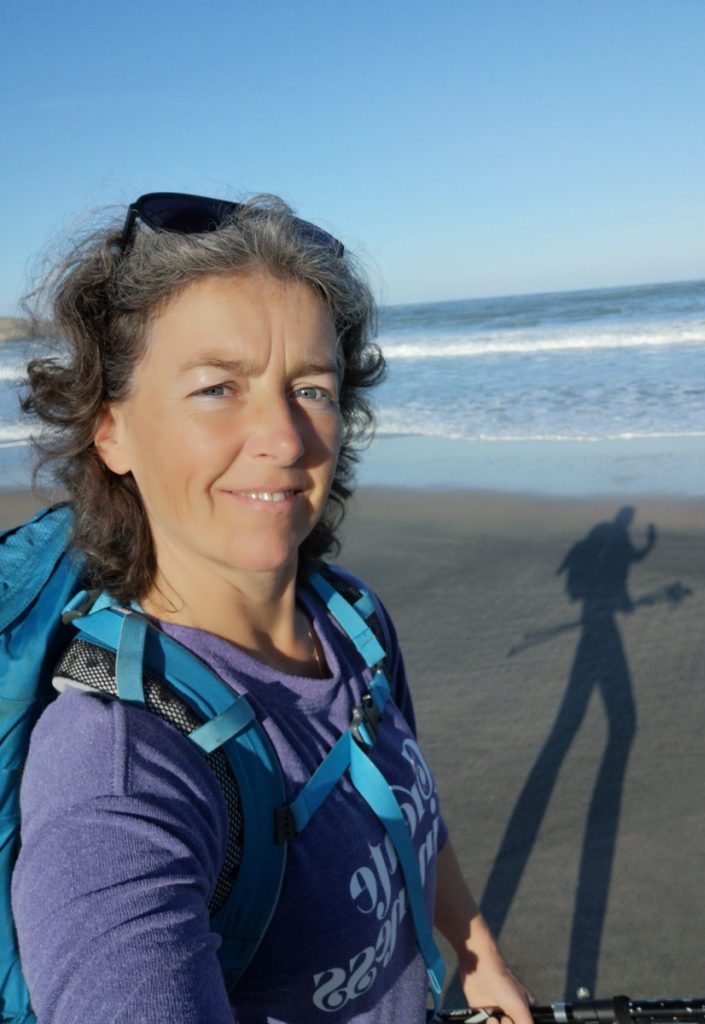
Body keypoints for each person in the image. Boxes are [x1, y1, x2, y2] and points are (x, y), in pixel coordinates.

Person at [11, 192, 533, 1024]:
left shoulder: (353, 621)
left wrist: (475, 956)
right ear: (110, 430)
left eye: (313, 389)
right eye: (219, 387)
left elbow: (400, 796)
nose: (287, 439)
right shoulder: (117, 767)